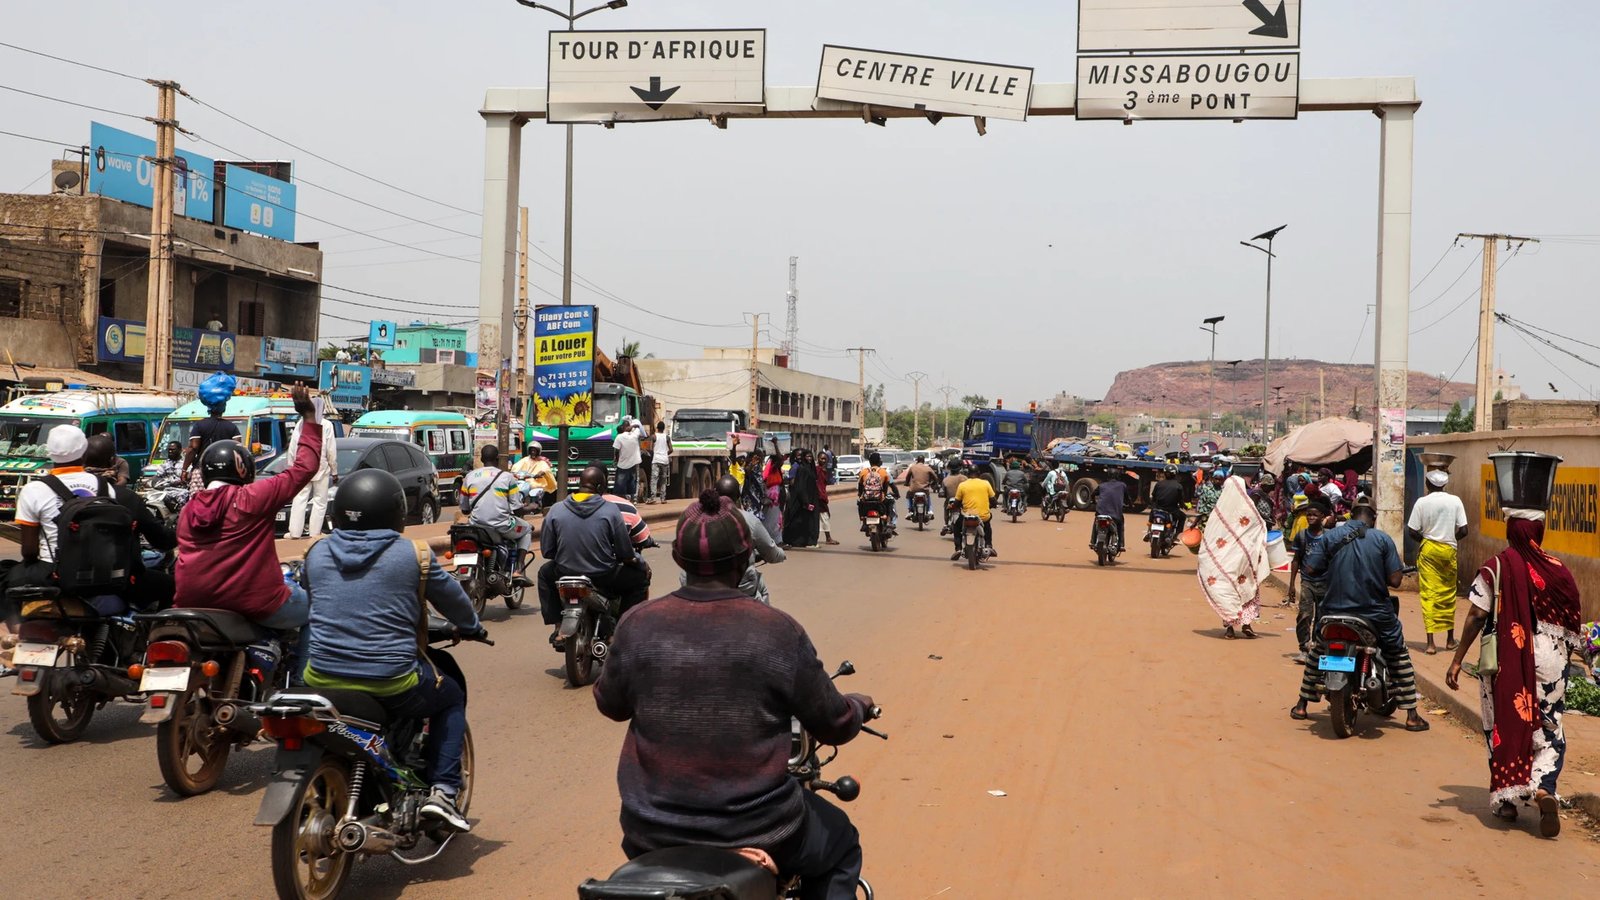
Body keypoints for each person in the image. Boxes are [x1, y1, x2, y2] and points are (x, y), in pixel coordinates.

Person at [593, 492, 873, 897]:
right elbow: (835, 723)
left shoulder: (637, 623)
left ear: (678, 560)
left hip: (649, 830)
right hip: (761, 829)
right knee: (842, 841)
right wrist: (859, 706)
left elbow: (611, 704)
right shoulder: (777, 630)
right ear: (746, 560)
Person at [301, 468, 484, 833]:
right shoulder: (414, 555)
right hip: (392, 681)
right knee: (449, 695)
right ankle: (444, 792)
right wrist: (472, 627)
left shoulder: (315, 552)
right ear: (396, 512)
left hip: (319, 678)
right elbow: (455, 603)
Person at [1446, 492, 1584, 835]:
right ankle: (1543, 787)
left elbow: (1477, 615)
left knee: (1504, 724)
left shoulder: (1496, 567)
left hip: (1508, 658)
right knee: (1550, 726)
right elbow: (1573, 622)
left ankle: (1507, 802)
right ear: (1538, 532)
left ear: (1511, 531)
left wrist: (1457, 659)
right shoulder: (1558, 571)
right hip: (1552, 662)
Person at [174, 384, 323, 667]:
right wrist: (309, 417)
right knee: (318, 609)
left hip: (192, 603)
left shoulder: (188, 511)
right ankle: (302, 681)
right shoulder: (252, 498)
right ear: (243, 468)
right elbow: (304, 468)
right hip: (255, 602)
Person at [1290, 500, 1430, 732]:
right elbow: (1395, 580)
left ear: (1351, 514)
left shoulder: (1330, 537)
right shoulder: (1382, 539)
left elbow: (1311, 568)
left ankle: (1302, 705)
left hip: (1333, 611)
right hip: (1374, 612)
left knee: (1317, 650)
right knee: (1397, 651)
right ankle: (1412, 715)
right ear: (1374, 518)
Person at [537, 465, 651, 647]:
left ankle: (558, 625)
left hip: (564, 572)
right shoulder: (610, 510)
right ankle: (619, 631)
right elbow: (624, 553)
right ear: (600, 487)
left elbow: (547, 551)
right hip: (603, 575)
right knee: (639, 579)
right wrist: (637, 562)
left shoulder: (556, 509)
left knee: (544, 573)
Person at [679, 474, 785, 604]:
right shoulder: (748, 520)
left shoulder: (695, 518)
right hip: (739, 587)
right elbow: (770, 551)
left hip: (696, 585)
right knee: (760, 587)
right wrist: (780, 554)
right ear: (738, 496)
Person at [1196, 475, 1270, 639]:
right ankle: (1241, 625)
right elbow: (1259, 527)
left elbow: (1210, 537)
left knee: (1228, 589)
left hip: (1231, 560)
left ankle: (1236, 626)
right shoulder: (1246, 510)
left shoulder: (1220, 512)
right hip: (1241, 559)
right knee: (1242, 587)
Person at [1406, 469, 1469, 654]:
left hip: (1429, 550)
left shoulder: (1421, 502)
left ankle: (1431, 643)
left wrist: (1426, 541)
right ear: (1444, 485)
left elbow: (1412, 531)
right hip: (1449, 550)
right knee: (1448, 593)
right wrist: (1450, 539)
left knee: (1429, 594)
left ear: (1428, 484)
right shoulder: (1455, 501)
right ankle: (1450, 640)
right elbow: (1464, 531)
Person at [459, 445, 536, 587]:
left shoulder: (469, 477)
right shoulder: (507, 477)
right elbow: (517, 509)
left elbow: (464, 509)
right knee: (527, 529)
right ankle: (518, 569)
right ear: (497, 458)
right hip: (501, 526)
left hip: (476, 527)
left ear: (482, 459)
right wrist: (530, 508)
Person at [1285, 499, 1328, 664]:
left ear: (1322, 516)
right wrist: (1291, 584)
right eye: (1308, 515)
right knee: (1304, 615)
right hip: (1307, 582)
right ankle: (1304, 647)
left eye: (1314, 515)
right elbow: (1296, 560)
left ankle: (1317, 647)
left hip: (1325, 582)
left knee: (1322, 617)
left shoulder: (1329, 537)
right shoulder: (1302, 536)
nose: (1310, 518)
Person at [283, 413, 337, 539]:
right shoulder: (327, 424)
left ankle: (295, 532)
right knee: (320, 501)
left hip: (303, 466)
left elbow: (293, 447)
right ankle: (315, 533)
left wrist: (292, 466)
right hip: (320, 467)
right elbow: (331, 450)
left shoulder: (301, 423)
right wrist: (334, 470)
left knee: (299, 498)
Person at [185, 399, 240, 492]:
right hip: (225, 473)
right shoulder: (232, 427)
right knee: (223, 499)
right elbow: (237, 448)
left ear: (209, 408)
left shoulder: (199, 425)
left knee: (198, 498)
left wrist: (184, 469)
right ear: (224, 409)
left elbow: (193, 448)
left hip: (201, 471)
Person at [951, 468, 997, 561]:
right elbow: (993, 500)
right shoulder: (986, 483)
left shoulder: (962, 485)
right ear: (979, 474)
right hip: (983, 516)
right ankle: (988, 545)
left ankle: (958, 548)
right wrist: (992, 505)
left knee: (956, 527)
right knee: (987, 526)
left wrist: (953, 506)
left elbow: (957, 502)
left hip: (966, 516)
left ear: (968, 474)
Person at [783, 450, 822, 548]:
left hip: (812, 498)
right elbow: (800, 487)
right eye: (807, 456)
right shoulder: (801, 469)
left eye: (810, 456)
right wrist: (806, 501)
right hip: (804, 500)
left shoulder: (810, 469)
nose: (809, 459)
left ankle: (809, 540)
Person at [856, 451, 898, 532]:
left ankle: (863, 520)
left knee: (859, 503)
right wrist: (883, 495)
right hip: (879, 500)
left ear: (870, 462)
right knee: (891, 502)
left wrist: (861, 495)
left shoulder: (864, 472)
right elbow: (885, 487)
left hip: (866, 500)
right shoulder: (883, 472)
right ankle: (889, 521)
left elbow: (860, 486)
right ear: (879, 462)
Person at [1090, 470, 1129, 552]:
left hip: (1100, 513)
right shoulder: (1122, 485)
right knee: (1120, 524)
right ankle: (1121, 544)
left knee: (1096, 522)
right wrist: (1130, 505)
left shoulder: (1102, 485)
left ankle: (1092, 542)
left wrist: (1093, 501)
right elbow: (1127, 498)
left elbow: (1093, 494)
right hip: (1115, 514)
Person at [512, 441, 558, 508]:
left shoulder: (542, 462)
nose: (533, 452)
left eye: (534, 451)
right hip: (525, 481)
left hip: (537, 483)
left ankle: (537, 504)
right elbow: (516, 467)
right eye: (531, 450)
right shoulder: (525, 460)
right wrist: (514, 473)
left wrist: (540, 473)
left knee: (534, 489)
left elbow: (546, 469)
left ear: (538, 451)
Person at [612, 419, 642, 501]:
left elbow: (616, 451)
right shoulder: (635, 435)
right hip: (633, 464)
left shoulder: (619, 437)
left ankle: (621, 500)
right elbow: (638, 427)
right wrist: (632, 426)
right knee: (632, 483)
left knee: (620, 485)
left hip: (622, 464)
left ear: (623, 427)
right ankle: (632, 499)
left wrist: (616, 460)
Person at [940, 461, 968, 535]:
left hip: (950, 501)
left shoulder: (946, 480)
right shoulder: (965, 478)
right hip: (962, 501)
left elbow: (942, 492)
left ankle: (946, 524)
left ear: (949, 468)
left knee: (946, 506)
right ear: (960, 468)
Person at [815, 458, 838, 546]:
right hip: (819, 496)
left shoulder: (825, 471)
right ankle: (827, 538)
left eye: (825, 459)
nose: (823, 460)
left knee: (824, 517)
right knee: (824, 516)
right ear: (818, 459)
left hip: (822, 495)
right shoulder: (817, 470)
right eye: (821, 458)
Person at [647, 421, 671, 505]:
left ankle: (653, 497)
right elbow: (671, 449)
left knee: (654, 479)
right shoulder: (667, 437)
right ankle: (663, 498)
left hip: (656, 460)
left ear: (657, 428)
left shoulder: (653, 436)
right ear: (664, 428)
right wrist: (665, 454)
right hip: (664, 460)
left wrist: (654, 455)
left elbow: (650, 449)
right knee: (663, 480)